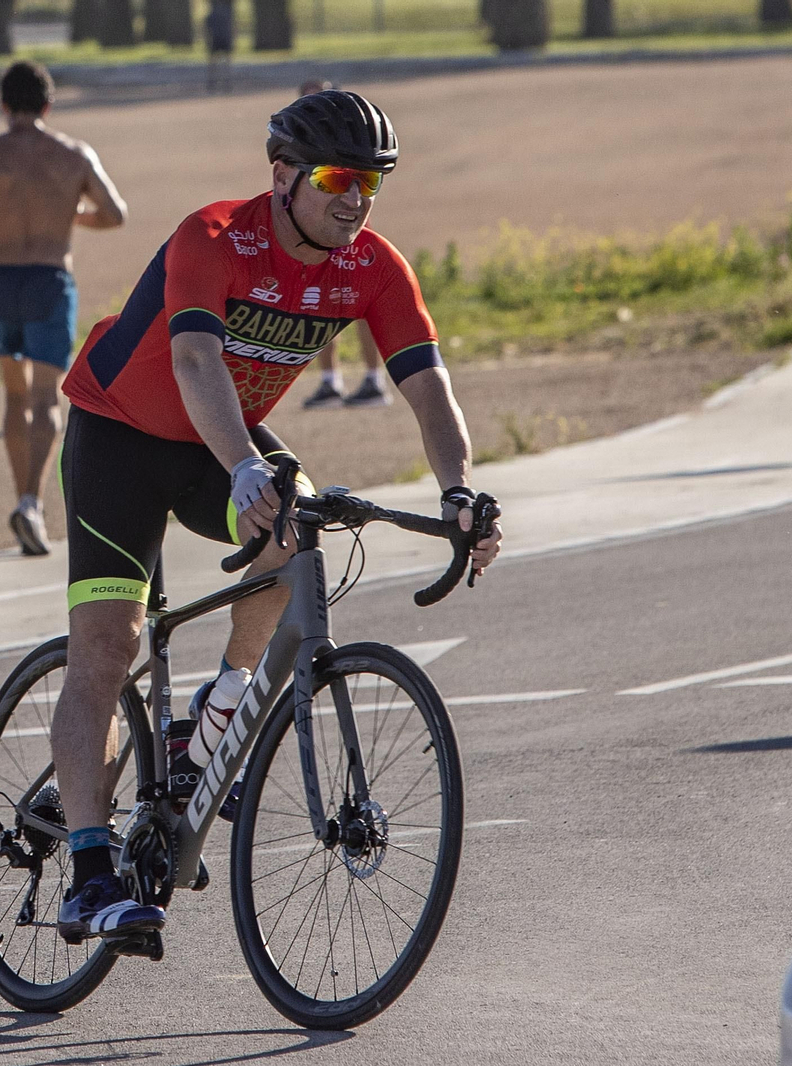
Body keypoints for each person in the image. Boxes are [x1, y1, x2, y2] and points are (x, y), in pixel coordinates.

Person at [48, 90, 504, 941]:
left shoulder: (371, 265)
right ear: (284, 173)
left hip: (216, 441)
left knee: (294, 528)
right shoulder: (215, 237)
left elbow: (427, 384)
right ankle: (87, 872)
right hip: (122, 432)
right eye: (336, 177)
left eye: (371, 183)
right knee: (109, 647)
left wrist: (460, 492)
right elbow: (192, 359)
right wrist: (248, 465)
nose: (354, 199)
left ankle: (218, 711)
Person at [0, 61, 128, 557]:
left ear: (4, 105)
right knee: (47, 399)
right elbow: (115, 213)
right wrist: (70, 214)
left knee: (13, 397)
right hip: (49, 279)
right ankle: (31, 502)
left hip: (0, 280)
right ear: (48, 105)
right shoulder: (72, 154)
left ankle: (21, 496)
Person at [293, 79, 391, 410]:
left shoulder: (351, 134)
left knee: (364, 310)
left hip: (351, 237)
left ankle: (373, 380)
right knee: (320, 304)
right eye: (308, 99)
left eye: (320, 96)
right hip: (319, 237)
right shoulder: (301, 139)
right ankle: (330, 381)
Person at [205, 0, 235, 94]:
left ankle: (214, 82)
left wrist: (207, 41)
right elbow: (232, 27)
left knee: (215, 62)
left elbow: (206, 30)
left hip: (217, 39)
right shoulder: (226, 13)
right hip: (223, 38)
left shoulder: (211, 14)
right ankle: (225, 82)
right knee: (224, 62)